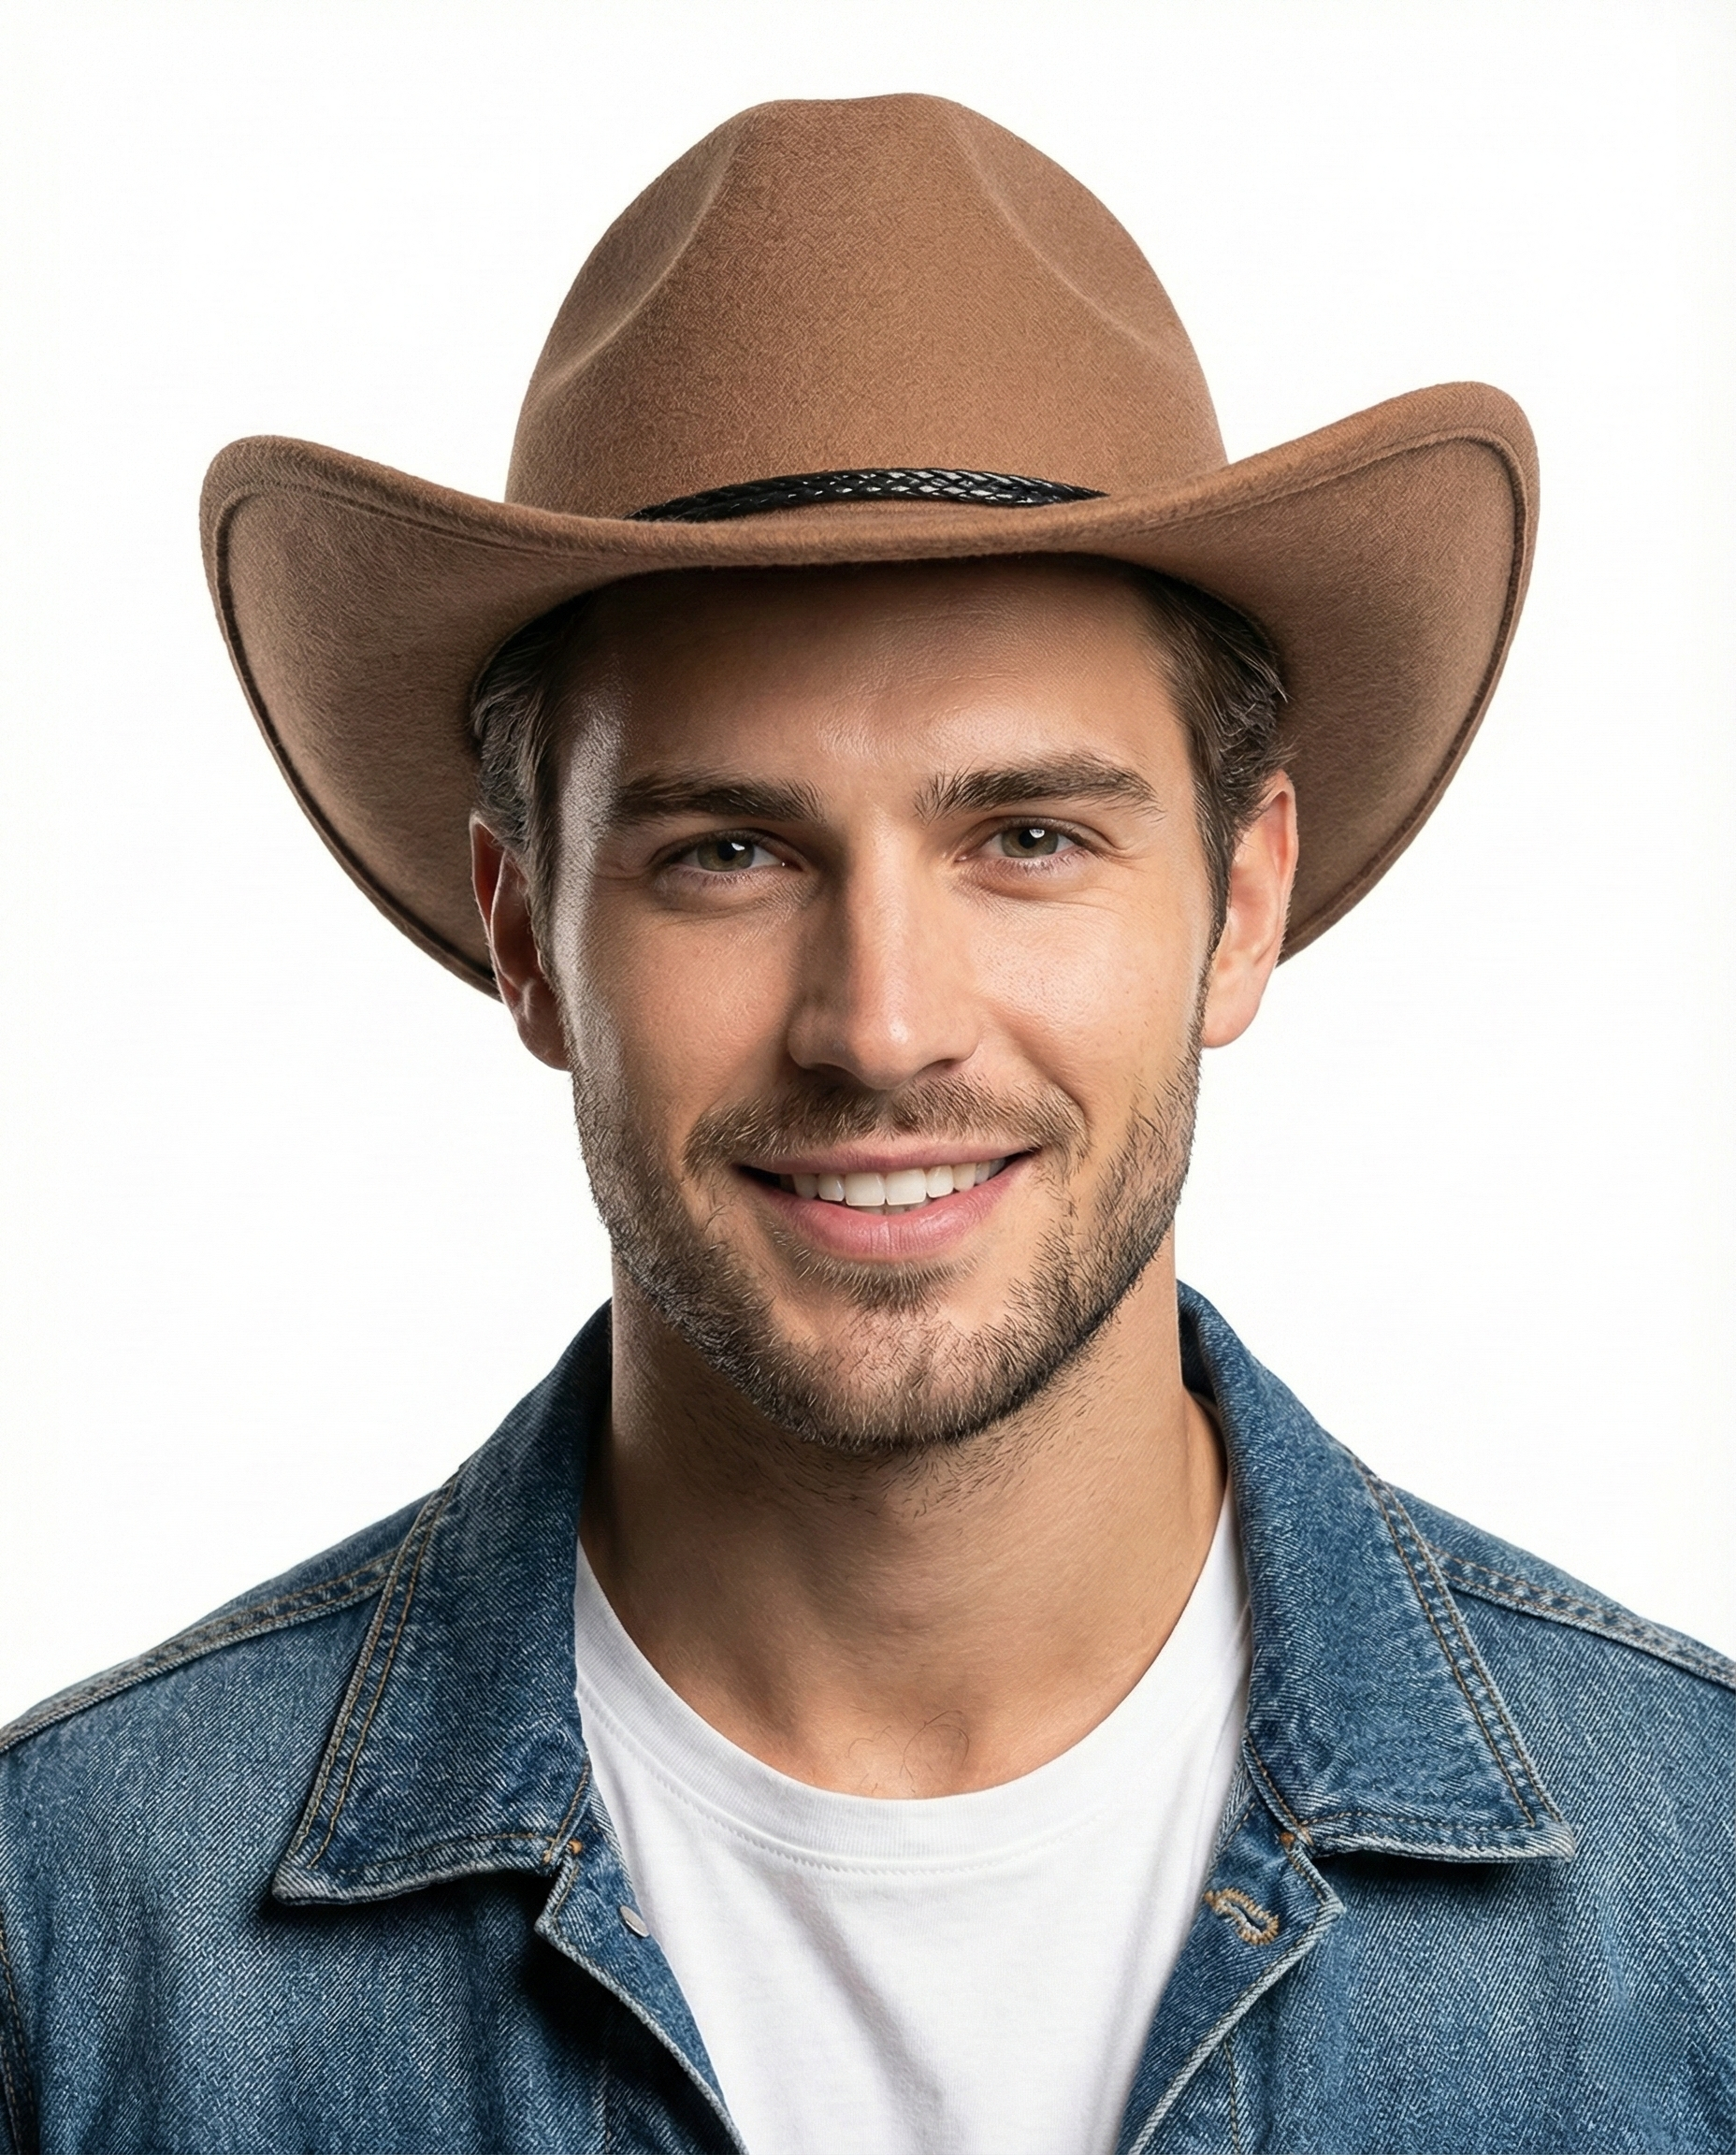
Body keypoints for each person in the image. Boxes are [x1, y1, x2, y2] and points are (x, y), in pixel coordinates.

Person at [0, 92, 1728, 2155]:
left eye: (1026, 835)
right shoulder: (82, 1936)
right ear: (525, 935)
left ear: (1241, 902)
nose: (880, 1026)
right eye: (727, 849)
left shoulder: (1688, 1893)